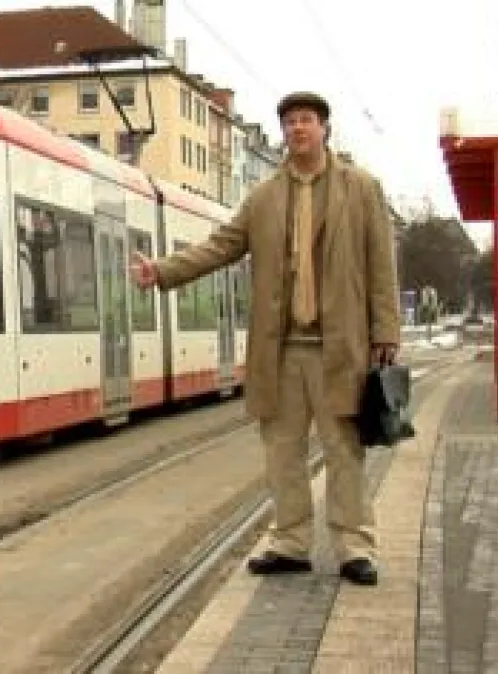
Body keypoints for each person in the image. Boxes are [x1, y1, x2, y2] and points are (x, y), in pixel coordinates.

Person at [131, 91, 401, 586]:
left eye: (307, 120)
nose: (298, 129)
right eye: (290, 122)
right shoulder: (263, 198)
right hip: (280, 351)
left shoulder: (360, 188)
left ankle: (354, 547)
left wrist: (386, 330)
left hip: (340, 349)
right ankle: (291, 542)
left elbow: (381, 262)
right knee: (283, 451)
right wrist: (162, 271)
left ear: (324, 129)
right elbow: (220, 247)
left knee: (344, 451)